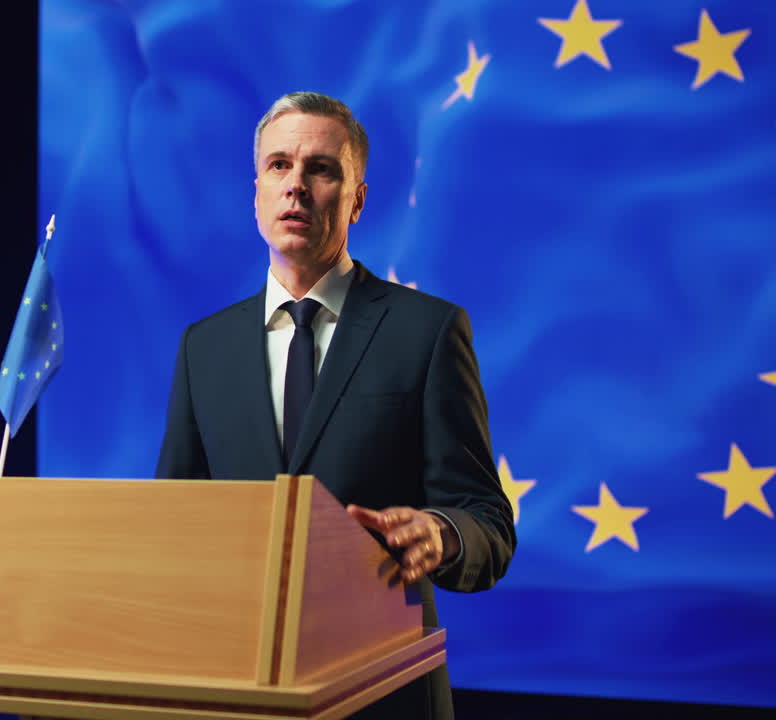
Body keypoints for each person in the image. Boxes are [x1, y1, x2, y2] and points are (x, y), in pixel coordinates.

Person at [156, 91, 515, 720]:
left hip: (384, 691)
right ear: (257, 192)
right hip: (234, 692)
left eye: (321, 168)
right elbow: (172, 524)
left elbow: (487, 519)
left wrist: (443, 534)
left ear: (358, 199)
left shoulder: (427, 332)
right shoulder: (202, 347)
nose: (296, 185)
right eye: (278, 166)